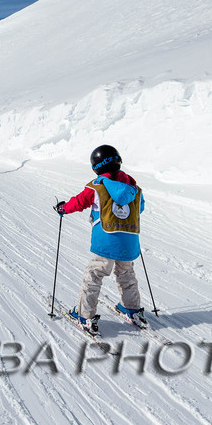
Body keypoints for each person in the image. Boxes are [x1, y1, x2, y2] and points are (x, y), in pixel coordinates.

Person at [55, 144, 147, 335]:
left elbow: (79, 202)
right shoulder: (135, 189)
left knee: (94, 275)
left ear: (96, 166)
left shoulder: (97, 186)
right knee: (126, 273)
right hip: (129, 241)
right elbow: (140, 209)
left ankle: (84, 315)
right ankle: (131, 309)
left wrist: (63, 208)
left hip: (107, 241)